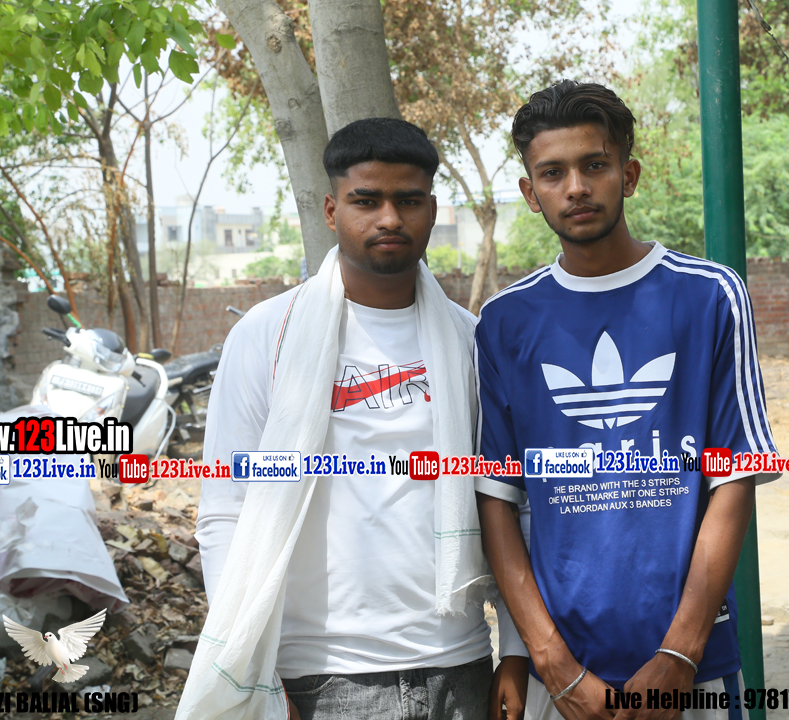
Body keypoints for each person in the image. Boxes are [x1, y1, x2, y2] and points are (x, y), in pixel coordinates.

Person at [177, 117, 527, 720]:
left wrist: (514, 652)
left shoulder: (471, 342)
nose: (389, 218)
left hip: (459, 663)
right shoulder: (267, 336)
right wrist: (252, 669)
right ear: (331, 209)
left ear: (432, 209)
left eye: (408, 201)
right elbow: (226, 509)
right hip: (318, 676)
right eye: (367, 201)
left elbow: (507, 499)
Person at [473, 80, 780, 720]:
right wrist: (549, 660)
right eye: (552, 173)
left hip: (689, 666)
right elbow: (497, 497)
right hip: (562, 674)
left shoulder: (709, 296)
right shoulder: (504, 321)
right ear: (529, 193)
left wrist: (681, 651)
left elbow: (735, 479)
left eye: (595, 165)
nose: (576, 188)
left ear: (629, 175)